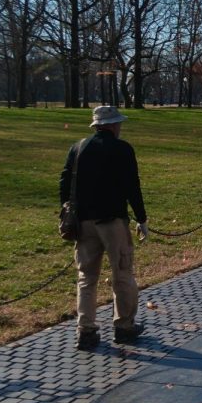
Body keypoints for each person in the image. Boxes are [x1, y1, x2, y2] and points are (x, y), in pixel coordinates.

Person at [59, 105, 149, 351]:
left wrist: (67, 213)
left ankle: (85, 330)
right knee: (122, 273)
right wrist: (142, 218)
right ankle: (124, 326)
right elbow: (133, 186)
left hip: (84, 222)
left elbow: (64, 184)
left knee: (86, 278)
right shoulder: (122, 149)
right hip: (112, 221)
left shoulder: (77, 149)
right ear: (112, 125)